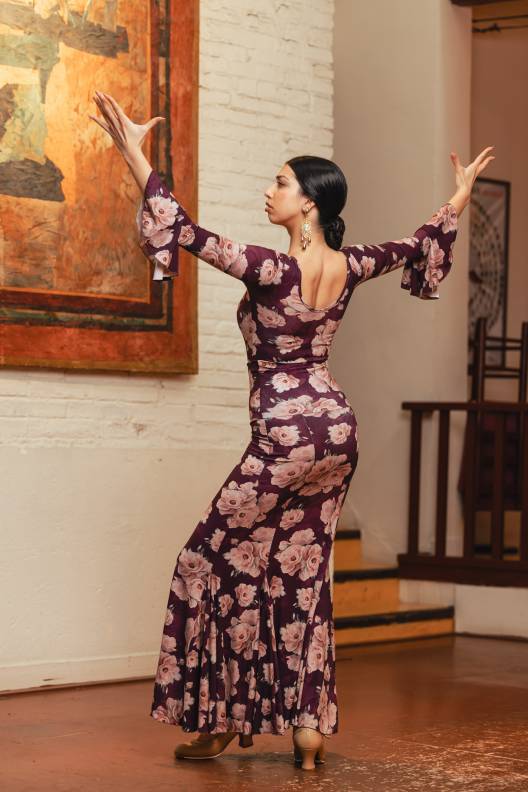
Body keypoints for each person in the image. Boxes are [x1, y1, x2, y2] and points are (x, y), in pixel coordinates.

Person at [90, 90, 494, 770]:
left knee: (203, 561)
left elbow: (183, 230)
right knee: (300, 573)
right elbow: (417, 244)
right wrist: (459, 196)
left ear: (309, 203)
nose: (268, 191)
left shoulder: (271, 269)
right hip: (336, 431)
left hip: (284, 434)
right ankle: (307, 727)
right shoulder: (350, 264)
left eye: (280, 183)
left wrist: (133, 152)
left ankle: (218, 717)